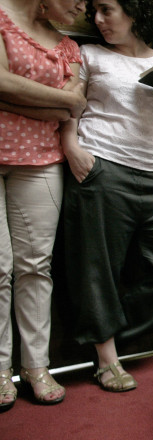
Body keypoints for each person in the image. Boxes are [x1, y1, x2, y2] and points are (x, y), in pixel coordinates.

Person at [61, 0, 153, 392]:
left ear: (136, 10)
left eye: (107, 10)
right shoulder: (88, 54)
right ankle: (107, 360)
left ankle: (103, 327)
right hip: (102, 166)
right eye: (94, 13)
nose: (99, 21)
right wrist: (73, 148)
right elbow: (70, 107)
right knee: (96, 267)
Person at [0, 0, 87, 410]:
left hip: (40, 160)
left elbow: (77, 103)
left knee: (36, 265)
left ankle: (36, 366)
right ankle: (0, 370)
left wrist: (13, 97)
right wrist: (55, 102)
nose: (83, 6)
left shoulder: (69, 46)